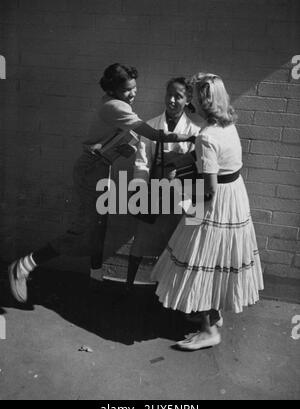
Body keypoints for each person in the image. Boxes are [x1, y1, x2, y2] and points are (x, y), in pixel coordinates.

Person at [8, 63, 195, 304]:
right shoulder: (116, 106)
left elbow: (117, 138)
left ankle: (95, 278)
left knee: (99, 226)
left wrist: (116, 146)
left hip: (101, 166)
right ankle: (24, 266)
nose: (133, 93)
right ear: (114, 89)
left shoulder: (116, 102)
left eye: (134, 88)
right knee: (82, 231)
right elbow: (156, 135)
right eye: (127, 90)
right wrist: (193, 137)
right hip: (91, 170)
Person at [151, 73, 264, 350]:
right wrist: (187, 159)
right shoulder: (227, 123)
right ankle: (213, 313)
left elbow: (209, 188)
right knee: (217, 259)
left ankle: (209, 330)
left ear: (201, 101)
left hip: (214, 202)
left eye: (194, 98)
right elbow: (218, 160)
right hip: (234, 197)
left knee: (199, 258)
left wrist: (182, 196)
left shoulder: (206, 136)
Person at [127, 77, 200, 288]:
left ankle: (170, 290)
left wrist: (178, 166)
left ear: (187, 100)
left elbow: (199, 166)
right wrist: (139, 189)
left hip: (181, 192)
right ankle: (129, 285)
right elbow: (142, 162)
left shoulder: (195, 129)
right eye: (169, 94)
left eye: (178, 96)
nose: (172, 100)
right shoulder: (151, 126)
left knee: (178, 243)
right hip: (154, 190)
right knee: (141, 239)